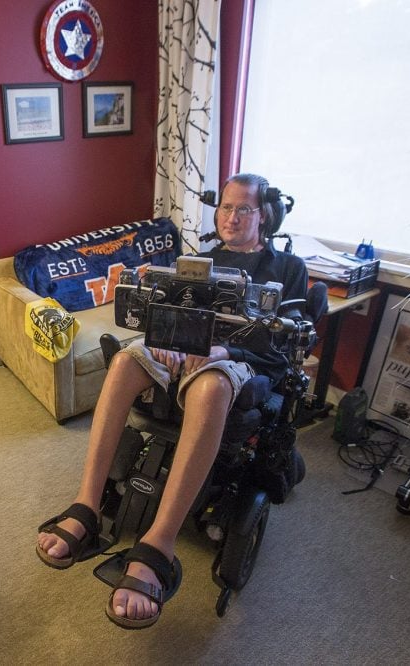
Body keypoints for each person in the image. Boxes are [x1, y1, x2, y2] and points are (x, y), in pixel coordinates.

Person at [35, 173, 308, 629]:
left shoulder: (286, 270)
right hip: (180, 355)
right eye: (225, 208)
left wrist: (224, 351)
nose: (232, 217)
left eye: (244, 209)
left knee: (210, 384)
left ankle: (159, 543)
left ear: (266, 217)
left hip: (242, 365)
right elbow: (169, 320)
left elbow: (282, 350)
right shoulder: (198, 262)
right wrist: (164, 338)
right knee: (124, 361)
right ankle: (84, 505)